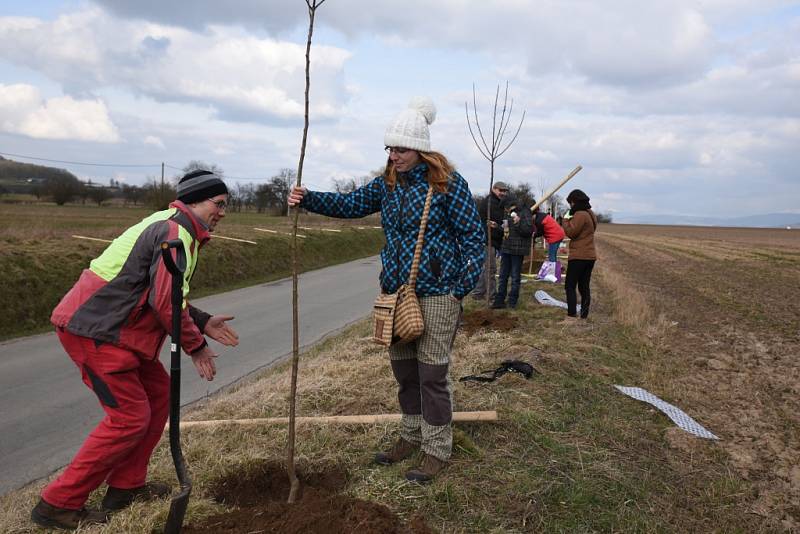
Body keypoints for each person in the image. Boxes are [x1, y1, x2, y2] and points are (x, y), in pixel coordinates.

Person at [288, 97, 484, 484]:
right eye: (390, 149)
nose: (393, 156)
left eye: (401, 149)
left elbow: (473, 239)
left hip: (438, 296)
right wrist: (308, 197)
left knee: (431, 376)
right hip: (394, 296)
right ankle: (411, 437)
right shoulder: (387, 185)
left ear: (421, 149)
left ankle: (436, 449)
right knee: (405, 374)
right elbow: (349, 204)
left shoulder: (447, 185)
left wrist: (459, 288)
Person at [31, 170, 240, 530]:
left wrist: (201, 320)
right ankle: (57, 504)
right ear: (194, 200)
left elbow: (162, 291)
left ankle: (126, 487)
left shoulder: (174, 226)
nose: (222, 212)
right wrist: (196, 346)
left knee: (158, 394)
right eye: (218, 204)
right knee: (128, 418)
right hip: (97, 330)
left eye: (225, 206)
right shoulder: (176, 233)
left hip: (115, 332)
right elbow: (165, 303)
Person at [561, 189, 598, 320]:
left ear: (574, 201)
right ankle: (584, 315)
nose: (570, 206)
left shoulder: (580, 214)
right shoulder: (590, 213)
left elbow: (571, 232)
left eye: (570, 203)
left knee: (570, 285)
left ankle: (571, 314)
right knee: (584, 286)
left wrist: (565, 220)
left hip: (579, 256)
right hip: (590, 256)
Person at [492, 196, 533, 309]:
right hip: (506, 247)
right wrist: (497, 227)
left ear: (510, 205)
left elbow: (528, 231)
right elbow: (507, 229)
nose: (505, 211)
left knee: (515, 277)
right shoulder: (509, 213)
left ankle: (512, 301)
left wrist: (518, 223)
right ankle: (499, 300)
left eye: (505, 208)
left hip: (517, 249)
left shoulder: (525, 211)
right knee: (502, 276)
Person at [471, 181, 508, 301]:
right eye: (500, 190)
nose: (502, 193)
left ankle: (478, 292)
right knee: (491, 268)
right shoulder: (490, 203)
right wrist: (499, 228)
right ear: (494, 189)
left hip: (490, 239)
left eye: (504, 191)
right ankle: (492, 295)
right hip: (488, 240)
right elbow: (491, 223)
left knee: (486, 268)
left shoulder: (497, 202)